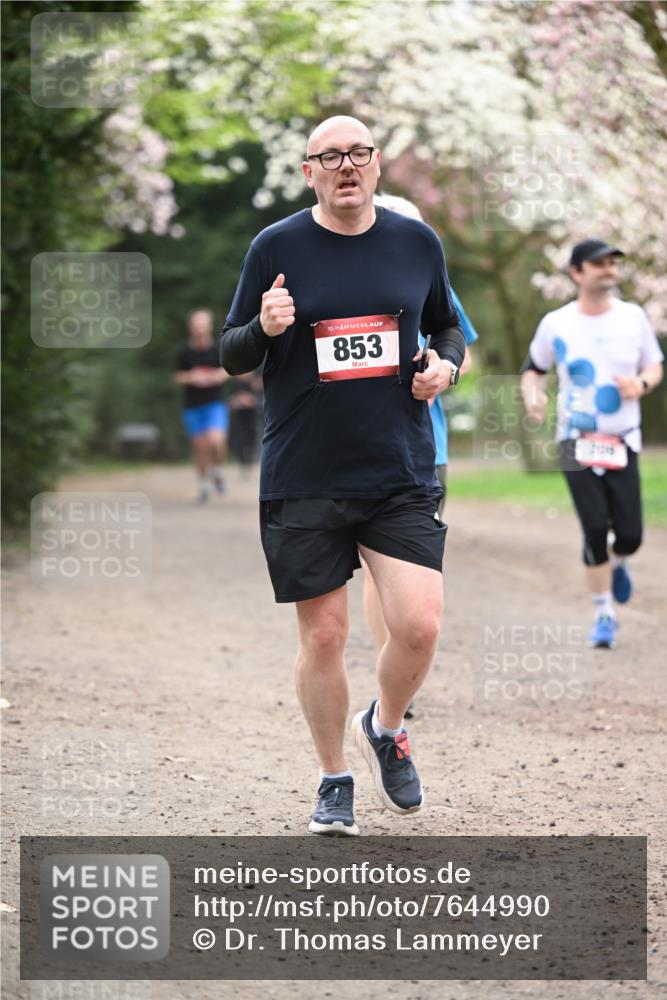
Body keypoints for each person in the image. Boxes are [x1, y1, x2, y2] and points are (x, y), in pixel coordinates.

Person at [221, 115, 465, 836]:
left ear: (377, 163)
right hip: (305, 472)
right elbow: (235, 354)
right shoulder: (276, 246)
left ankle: (384, 725)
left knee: (418, 626)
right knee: (323, 637)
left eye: (357, 153)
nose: (345, 166)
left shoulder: (415, 241)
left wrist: (445, 365)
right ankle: (333, 778)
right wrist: (263, 328)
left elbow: (445, 325)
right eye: (329, 157)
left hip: (397, 467)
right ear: (308, 172)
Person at [520, 238, 663, 648]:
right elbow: (534, 369)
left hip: (623, 439)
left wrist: (642, 383)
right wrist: (534, 396)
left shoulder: (633, 317)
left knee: (631, 535)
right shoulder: (556, 323)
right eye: (598, 263)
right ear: (577, 273)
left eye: (612, 262)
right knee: (595, 528)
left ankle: (619, 562)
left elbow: (654, 364)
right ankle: (604, 614)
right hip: (576, 441)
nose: (608, 268)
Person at [362, 194, 479, 659]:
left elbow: (462, 350)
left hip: (426, 447)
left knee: (411, 563)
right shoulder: (344, 284)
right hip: (362, 442)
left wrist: (443, 370)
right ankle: (391, 666)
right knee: (376, 566)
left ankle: (400, 665)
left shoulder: (434, 283)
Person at [174, 309, 230, 503]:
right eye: (196, 325)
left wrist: (216, 376)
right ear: (191, 327)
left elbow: (229, 370)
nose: (199, 329)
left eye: (203, 325)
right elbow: (177, 376)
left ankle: (217, 470)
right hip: (192, 405)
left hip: (214, 403)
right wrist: (191, 377)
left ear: (208, 327)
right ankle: (204, 485)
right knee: (200, 447)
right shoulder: (184, 351)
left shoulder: (217, 349)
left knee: (216, 441)